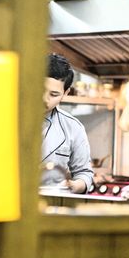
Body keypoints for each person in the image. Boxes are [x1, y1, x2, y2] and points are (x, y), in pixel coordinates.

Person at [41, 53, 93, 193]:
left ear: (66, 93)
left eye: (54, 94)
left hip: (52, 205)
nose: (44, 99)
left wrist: (74, 185)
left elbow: (84, 173)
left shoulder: (73, 127)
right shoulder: (4, 118)